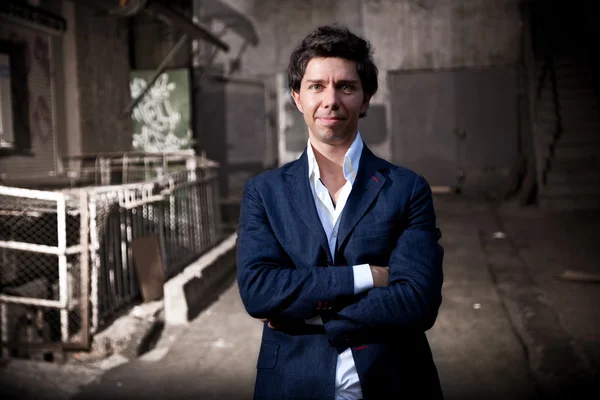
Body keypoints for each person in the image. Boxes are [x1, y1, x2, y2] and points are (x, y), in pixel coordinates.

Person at [236, 24, 444, 400]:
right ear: (297, 98)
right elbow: (259, 292)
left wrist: (305, 313)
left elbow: (417, 301)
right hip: (292, 384)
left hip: (394, 382)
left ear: (365, 99)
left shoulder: (408, 189)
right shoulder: (263, 193)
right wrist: (366, 276)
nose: (330, 99)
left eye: (345, 86)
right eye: (317, 86)